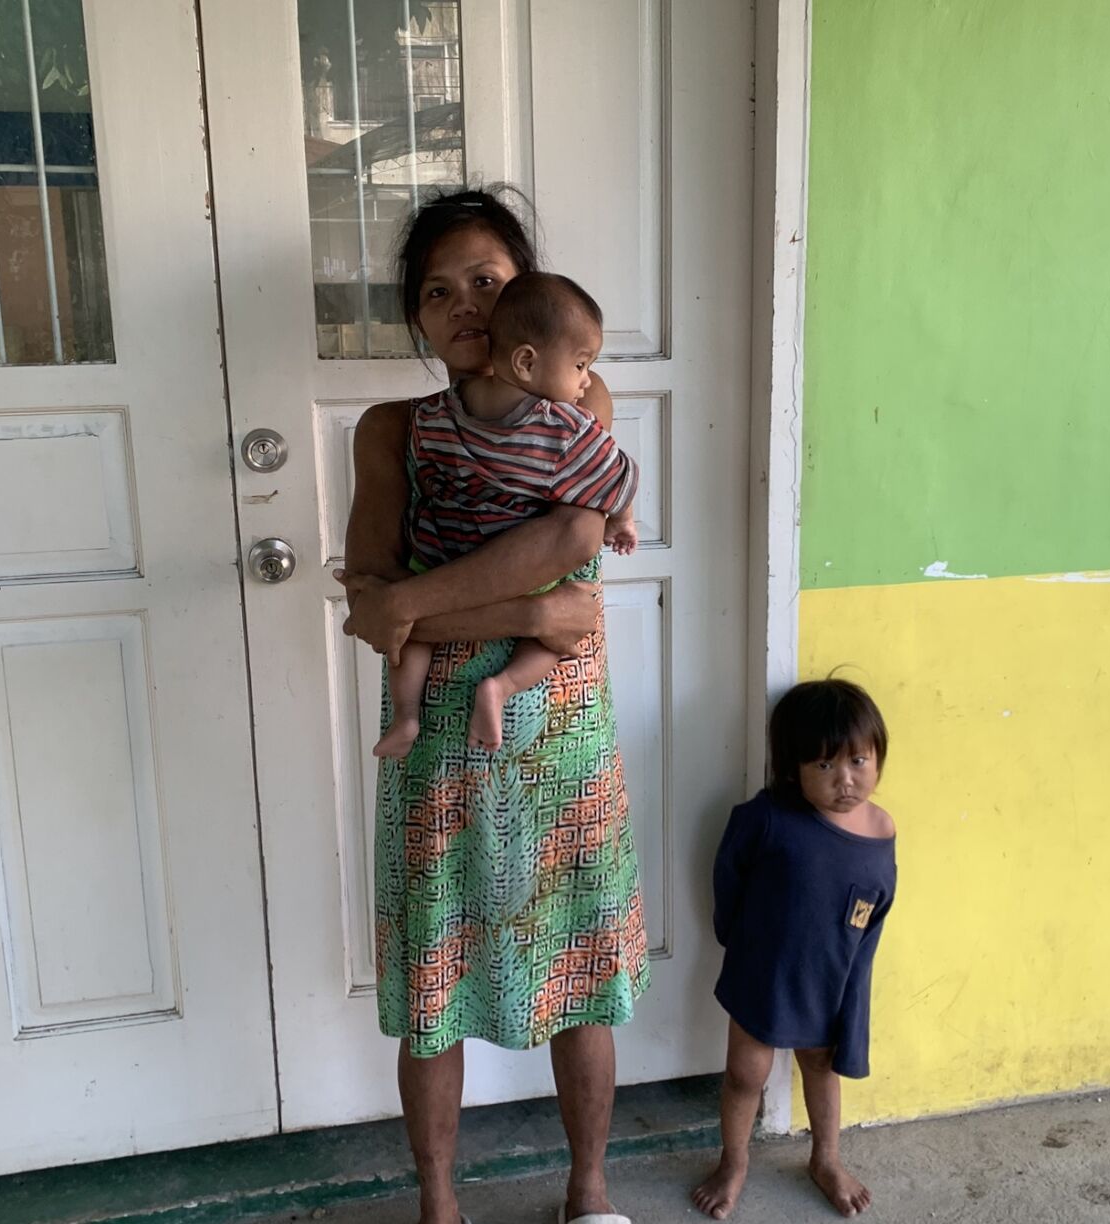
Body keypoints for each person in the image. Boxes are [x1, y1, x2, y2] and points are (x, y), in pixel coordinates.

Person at [336, 187, 646, 1224]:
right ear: (417, 320)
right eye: (437, 292)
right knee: (435, 983)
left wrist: (425, 605)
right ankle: (439, 1204)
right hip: (437, 734)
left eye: (485, 279)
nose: (464, 303)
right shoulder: (393, 430)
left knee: (581, 961)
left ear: (527, 293)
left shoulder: (576, 399)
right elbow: (370, 606)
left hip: (559, 725)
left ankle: (589, 1191)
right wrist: (524, 609)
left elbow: (578, 558)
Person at [373, 270, 640, 761]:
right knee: (549, 639)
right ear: (526, 360)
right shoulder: (564, 426)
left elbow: (384, 612)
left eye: (485, 281)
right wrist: (621, 519)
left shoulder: (432, 418)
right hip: (526, 582)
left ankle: (406, 716)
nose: (586, 380)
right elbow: (617, 476)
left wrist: (405, 605)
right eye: (581, 365)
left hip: (438, 557)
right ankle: (501, 686)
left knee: (407, 646)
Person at [692, 679, 897, 1220]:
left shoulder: (881, 830)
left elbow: (875, 908)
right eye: (824, 765)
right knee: (745, 1075)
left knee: (822, 1069)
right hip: (763, 977)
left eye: (858, 760)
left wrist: (854, 987)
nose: (845, 779)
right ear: (793, 767)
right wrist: (735, 936)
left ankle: (825, 1159)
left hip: (831, 981)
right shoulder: (769, 819)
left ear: (878, 755)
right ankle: (734, 1162)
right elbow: (729, 873)